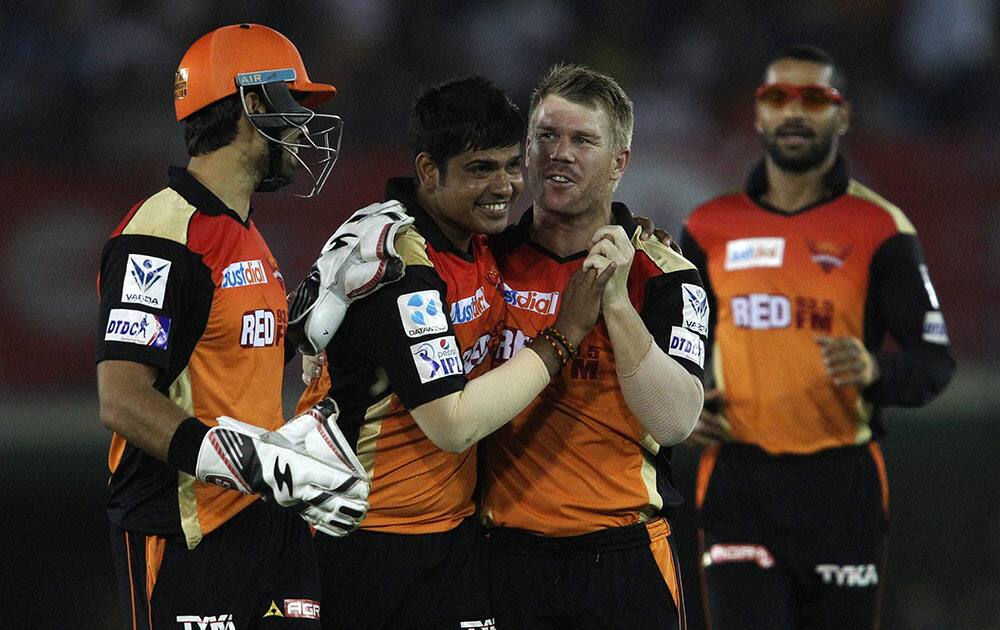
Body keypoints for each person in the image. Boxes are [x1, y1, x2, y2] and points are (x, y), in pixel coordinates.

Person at [292, 76, 610, 630]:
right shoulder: (399, 265)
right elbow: (452, 424)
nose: (505, 186)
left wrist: (630, 231)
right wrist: (564, 335)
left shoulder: (476, 238)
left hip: (451, 539)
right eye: (480, 169)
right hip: (364, 541)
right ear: (428, 172)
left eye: (512, 165)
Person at [95, 24, 369, 629]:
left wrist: (315, 310)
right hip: (187, 530)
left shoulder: (242, 231)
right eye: (293, 103)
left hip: (264, 519)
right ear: (253, 103)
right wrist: (245, 460)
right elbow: (121, 399)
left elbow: (227, 347)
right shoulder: (161, 236)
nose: (302, 127)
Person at [679, 45, 956, 629]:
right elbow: (669, 350)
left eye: (814, 98)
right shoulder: (706, 228)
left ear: (843, 116)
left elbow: (935, 363)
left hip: (842, 488)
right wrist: (678, 408)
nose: (794, 112)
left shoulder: (881, 227)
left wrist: (877, 371)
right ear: (758, 116)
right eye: (777, 98)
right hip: (739, 486)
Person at [479, 63, 706, 630]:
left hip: (624, 560)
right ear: (526, 150)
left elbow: (675, 420)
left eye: (583, 140)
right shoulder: (482, 262)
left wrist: (616, 305)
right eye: (547, 137)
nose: (561, 153)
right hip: (501, 558)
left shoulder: (668, 276)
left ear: (620, 162)